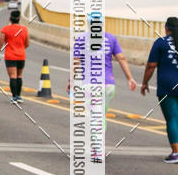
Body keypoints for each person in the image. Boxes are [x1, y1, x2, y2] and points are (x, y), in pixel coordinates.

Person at [67, 24, 137, 130]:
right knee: (101, 115)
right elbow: (121, 58)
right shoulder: (111, 38)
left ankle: (97, 140)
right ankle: (99, 138)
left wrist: (71, 81)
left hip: (90, 86)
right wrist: (130, 78)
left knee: (95, 117)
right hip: (108, 86)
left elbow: (76, 62)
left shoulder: (81, 38)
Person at [141, 17, 178, 163]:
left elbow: (151, 65)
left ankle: (176, 152)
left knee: (172, 118)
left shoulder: (161, 42)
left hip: (167, 85)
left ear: (166, 28)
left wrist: (145, 83)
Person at [0, 9, 29, 103]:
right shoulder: (24, 29)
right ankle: (19, 96)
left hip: (10, 56)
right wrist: (20, 48)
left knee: (12, 76)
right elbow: (27, 43)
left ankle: (14, 97)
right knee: (19, 76)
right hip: (21, 55)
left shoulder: (5, 29)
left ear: (10, 19)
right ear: (19, 19)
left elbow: (0, 43)